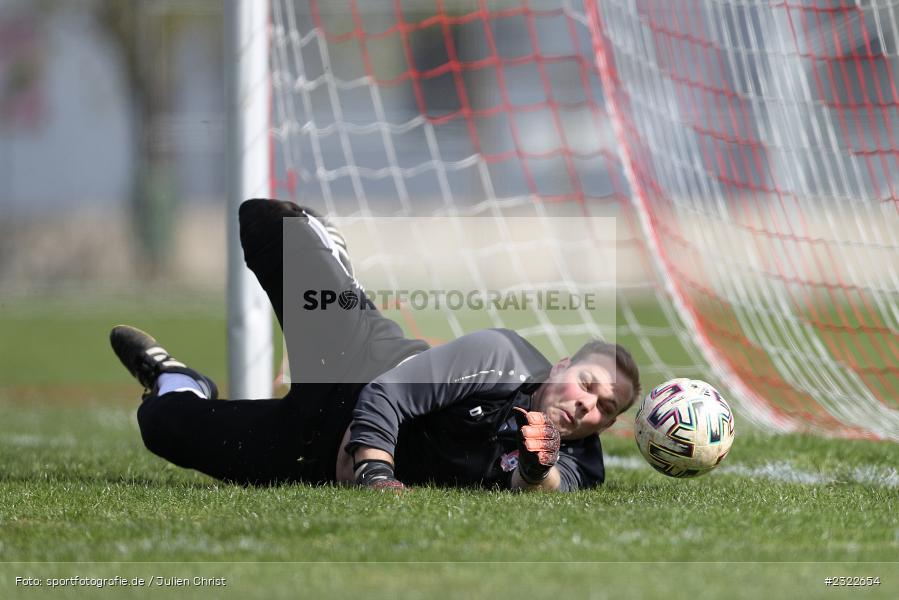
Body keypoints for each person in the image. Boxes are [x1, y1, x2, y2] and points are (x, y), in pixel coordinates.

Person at [110, 199, 641, 492]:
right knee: (267, 223)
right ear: (561, 366)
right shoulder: (503, 356)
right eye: (588, 384)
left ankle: (178, 380)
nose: (588, 405)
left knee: (162, 426)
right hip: (357, 359)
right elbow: (391, 393)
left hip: (314, 452)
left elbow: (549, 488)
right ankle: (331, 256)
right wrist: (374, 469)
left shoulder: (581, 460)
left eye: (606, 407)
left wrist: (535, 467)